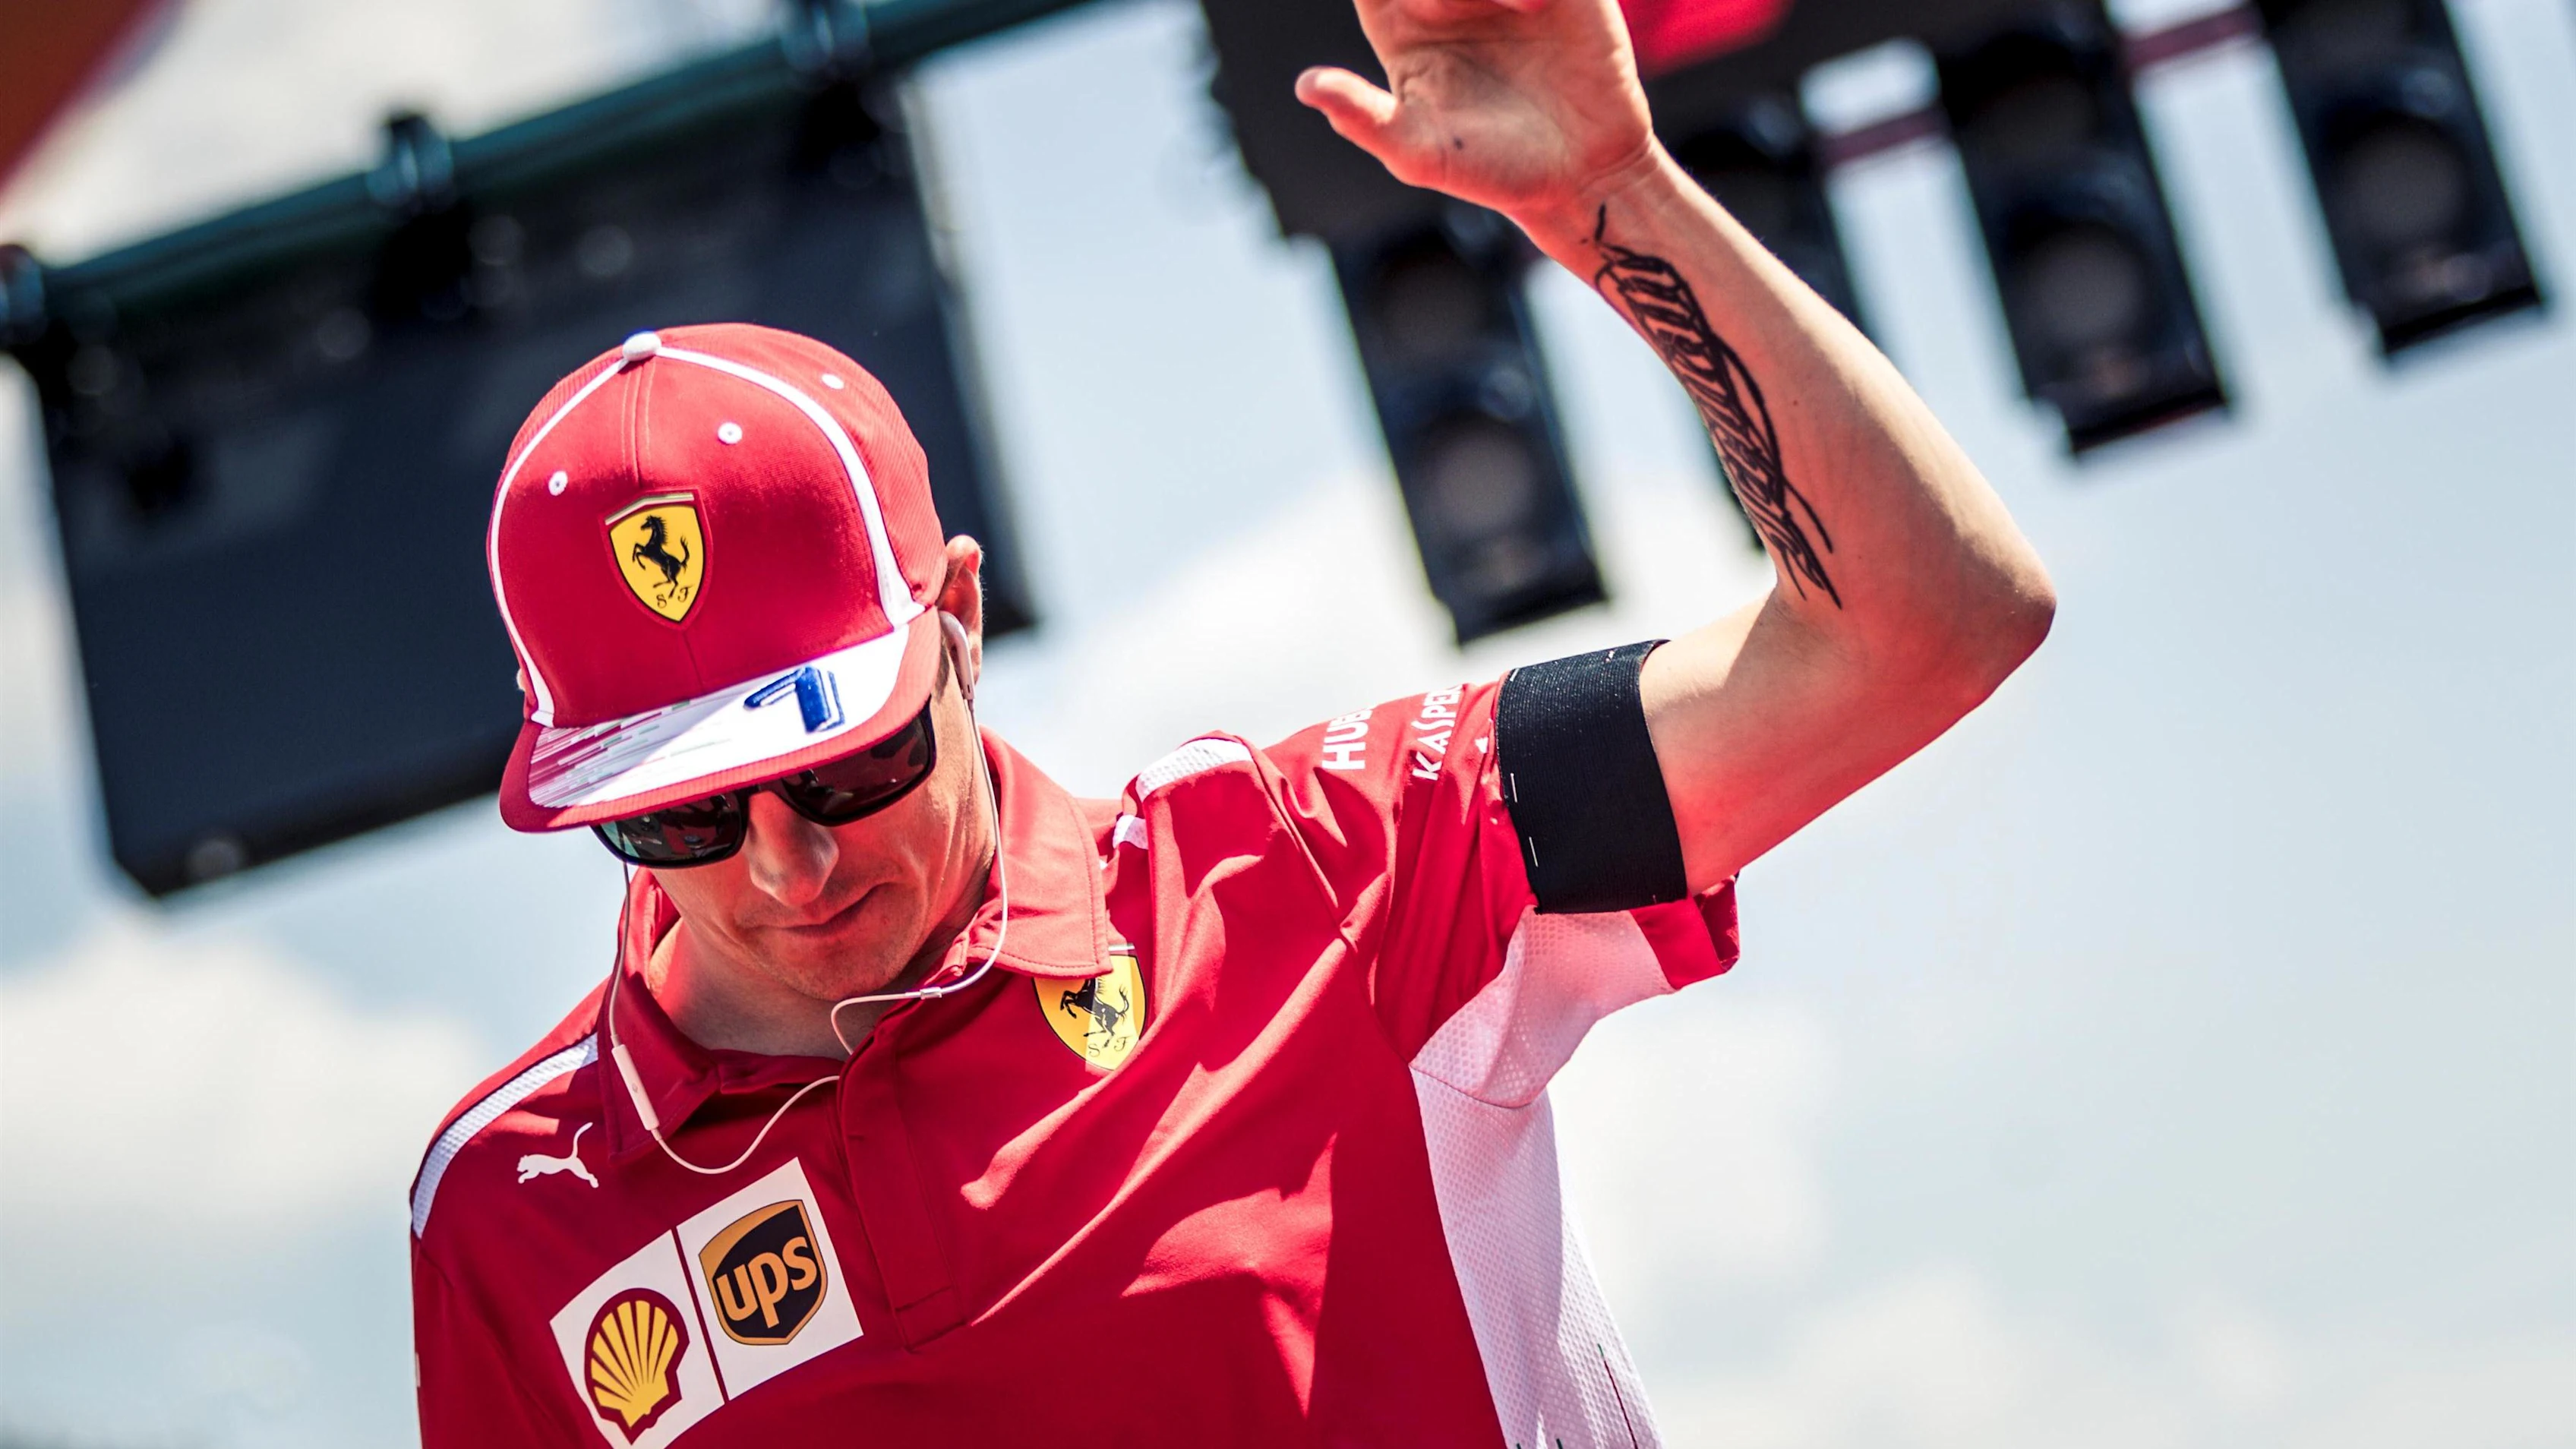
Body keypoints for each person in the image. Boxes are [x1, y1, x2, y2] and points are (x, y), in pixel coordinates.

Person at [406, 0, 2055, 1439]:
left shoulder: (1316, 866)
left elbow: (1928, 629)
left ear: (958, 624)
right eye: (679, 813)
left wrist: (1610, 194)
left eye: (847, 766)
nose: (784, 868)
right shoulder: (502, 1208)